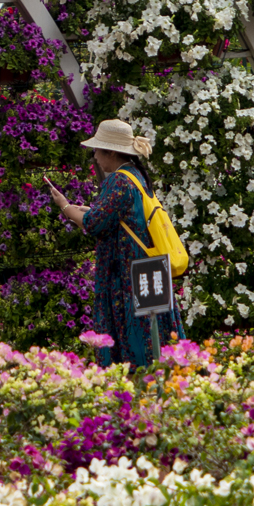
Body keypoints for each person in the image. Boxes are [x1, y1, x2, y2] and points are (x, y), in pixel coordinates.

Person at [43, 119, 161, 369]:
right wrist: (91, 211)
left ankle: (136, 381)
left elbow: (94, 224)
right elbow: (119, 216)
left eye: (97, 150)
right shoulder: (136, 175)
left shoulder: (118, 181)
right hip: (147, 267)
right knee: (153, 335)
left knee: (133, 339)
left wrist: (65, 206)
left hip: (126, 273)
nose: (95, 156)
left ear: (112, 152)